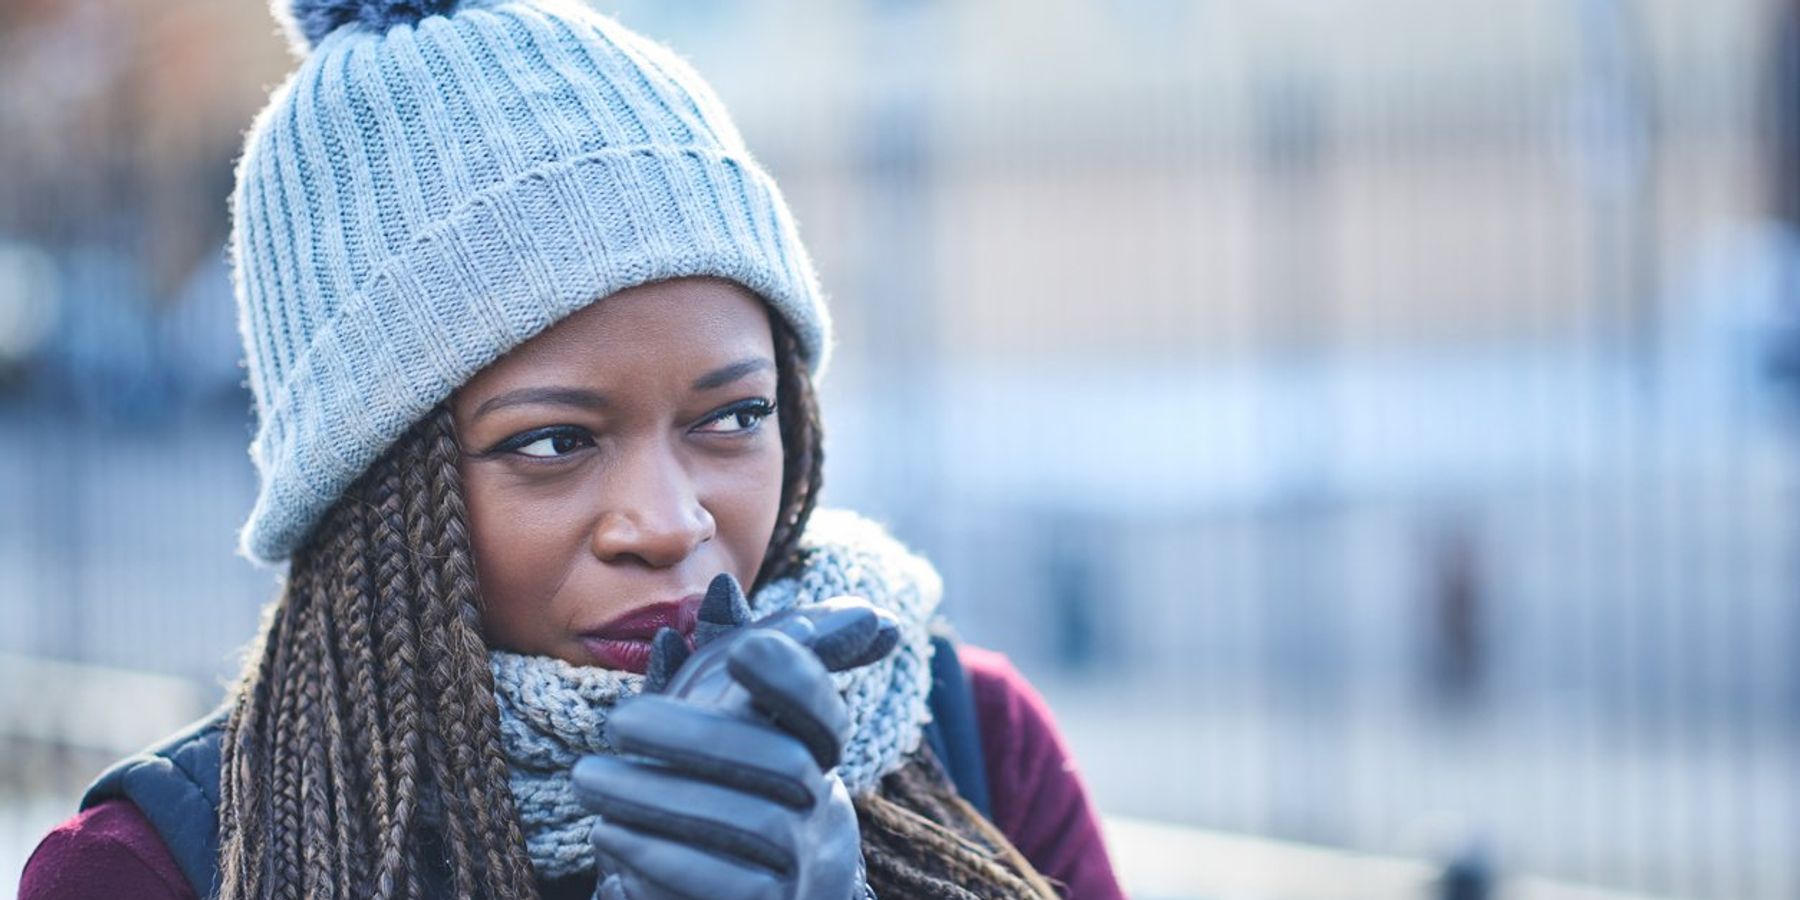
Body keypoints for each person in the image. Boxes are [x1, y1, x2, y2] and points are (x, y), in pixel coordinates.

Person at [18, 0, 1125, 898]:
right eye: (553, 442)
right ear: (365, 492)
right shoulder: (156, 871)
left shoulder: (970, 743)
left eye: (733, 417)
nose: (668, 520)